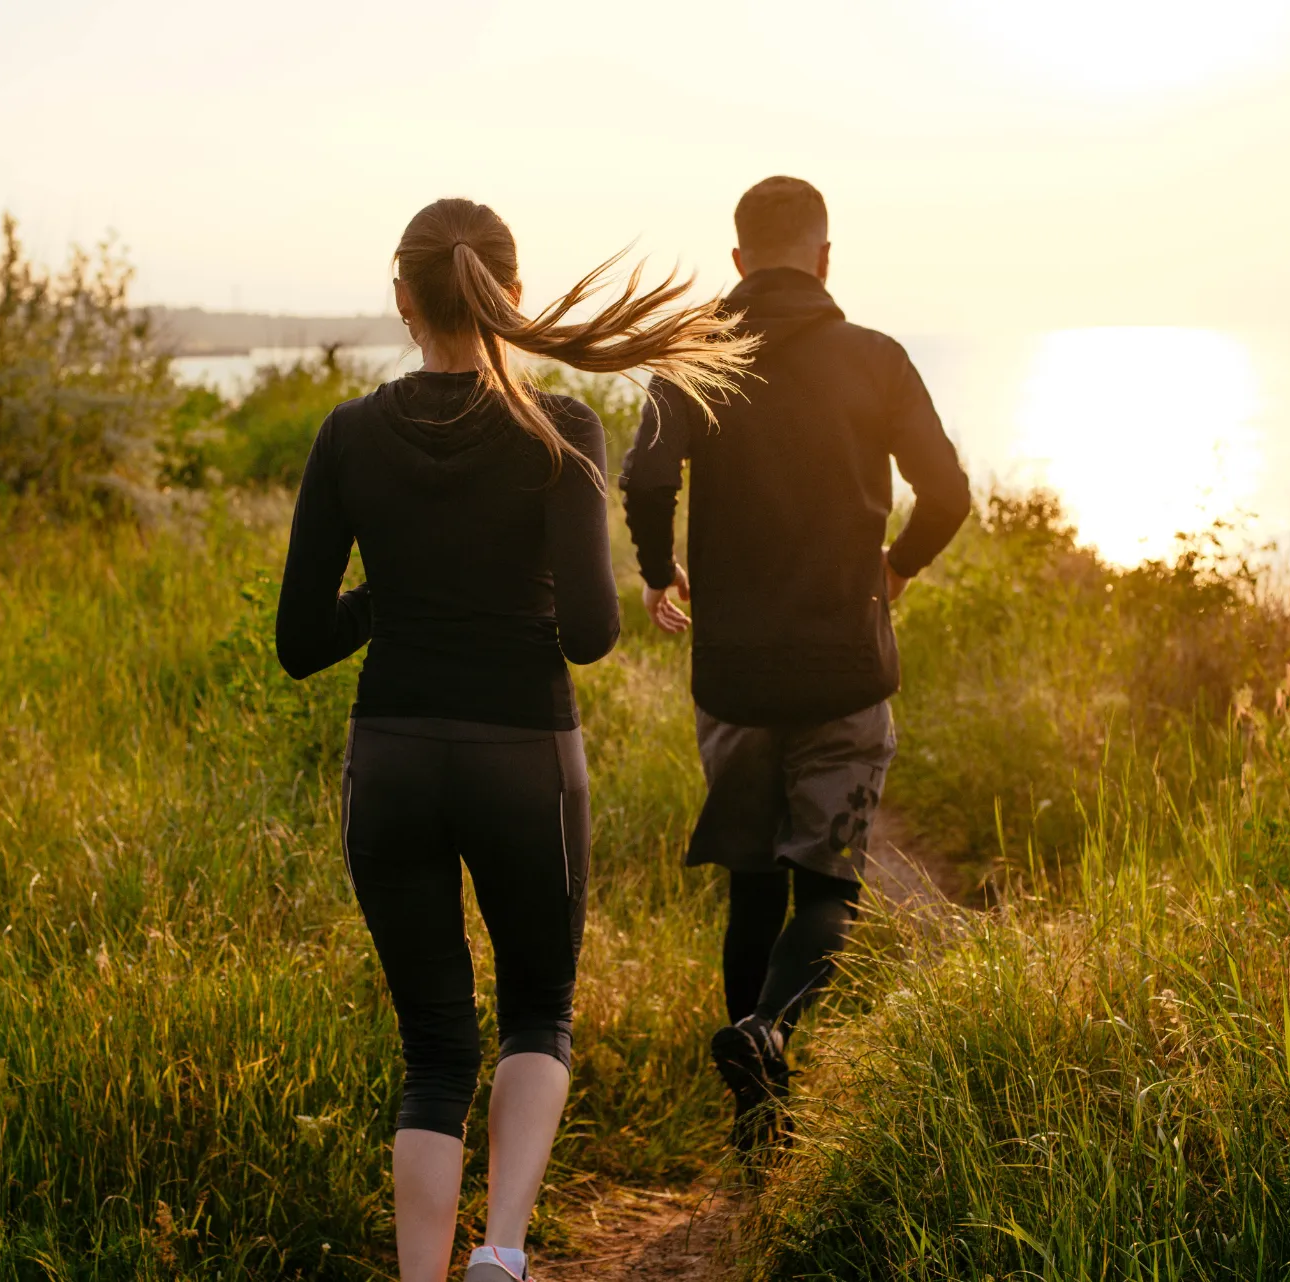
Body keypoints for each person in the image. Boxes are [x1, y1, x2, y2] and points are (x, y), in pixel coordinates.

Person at [276, 197, 753, 1282]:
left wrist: (390, 598)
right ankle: (500, 1249)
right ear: (513, 296)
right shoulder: (562, 427)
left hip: (391, 758)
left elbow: (300, 641)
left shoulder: (349, 433)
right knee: (538, 1009)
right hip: (522, 756)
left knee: (433, 1051)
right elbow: (589, 635)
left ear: (404, 299)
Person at [619, 176, 971, 1151]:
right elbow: (946, 491)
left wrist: (659, 570)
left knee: (750, 885)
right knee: (828, 888)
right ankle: (770, 1028)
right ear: (825, 257)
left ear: (737, 262)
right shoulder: (876, 359)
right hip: (846, 669)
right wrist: (896, 568)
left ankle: (757, 1126)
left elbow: (645, 472)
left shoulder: (695, 358)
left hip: (733, 673)